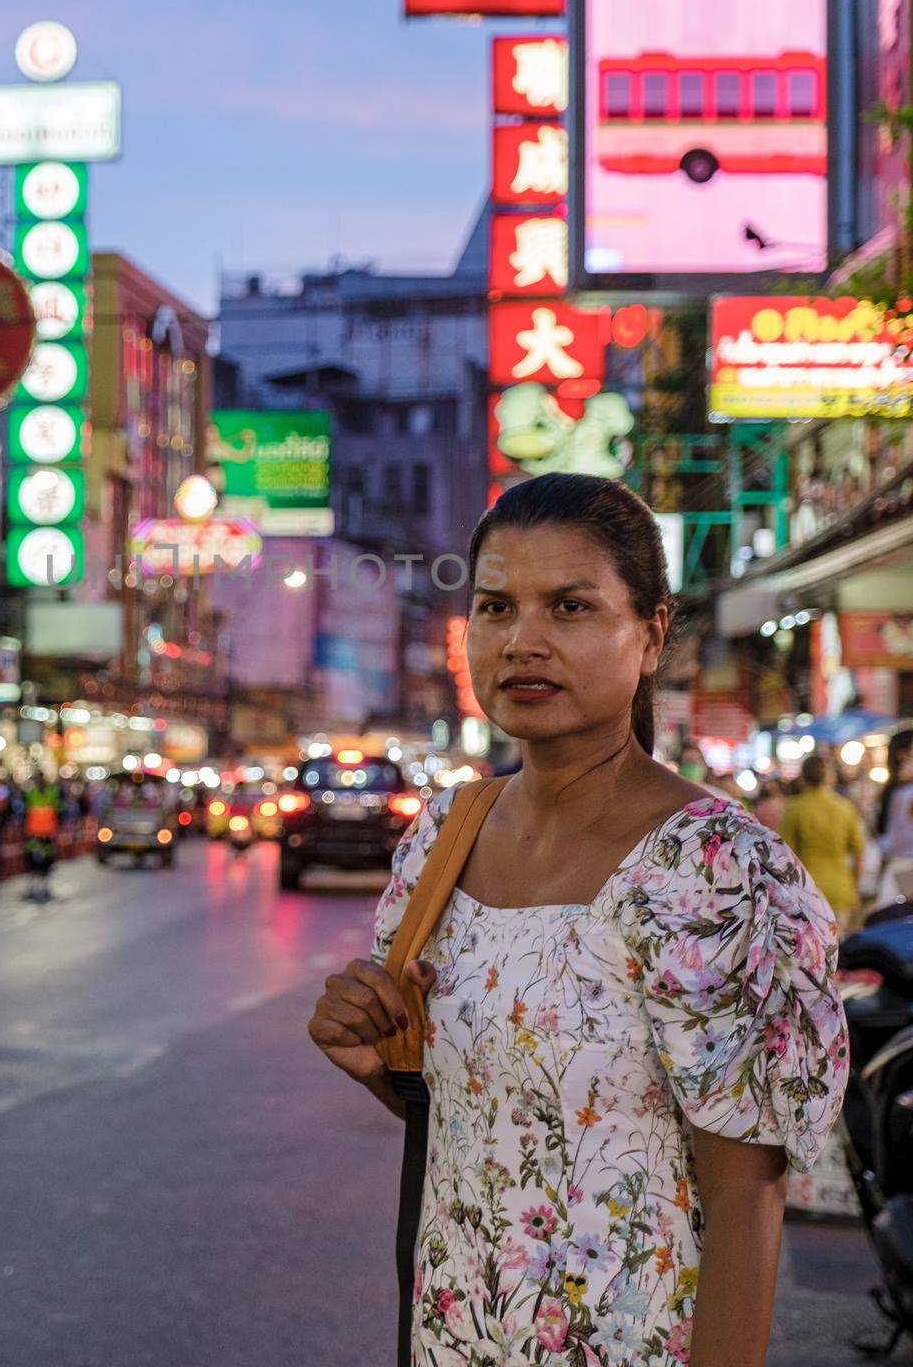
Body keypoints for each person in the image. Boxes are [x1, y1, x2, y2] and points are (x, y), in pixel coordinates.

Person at [308, 473, 847, 1367]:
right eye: (495, 607)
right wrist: (378, 1060)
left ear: (651, 635)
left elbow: (749, 1204)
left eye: (570, 607)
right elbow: (489, 1126)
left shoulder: (712, 870)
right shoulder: (444, 835)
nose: (524, 642)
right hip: (453, 1339)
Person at [778, 753, 868, 934]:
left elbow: (784, 854)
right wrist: (855, 889)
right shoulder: (845, 807)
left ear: (802, 778)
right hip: (840, 889)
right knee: (838, 947)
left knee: (812, 954)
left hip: (807, 889)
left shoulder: (795, 808)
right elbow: (859, 852)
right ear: (830, 777)